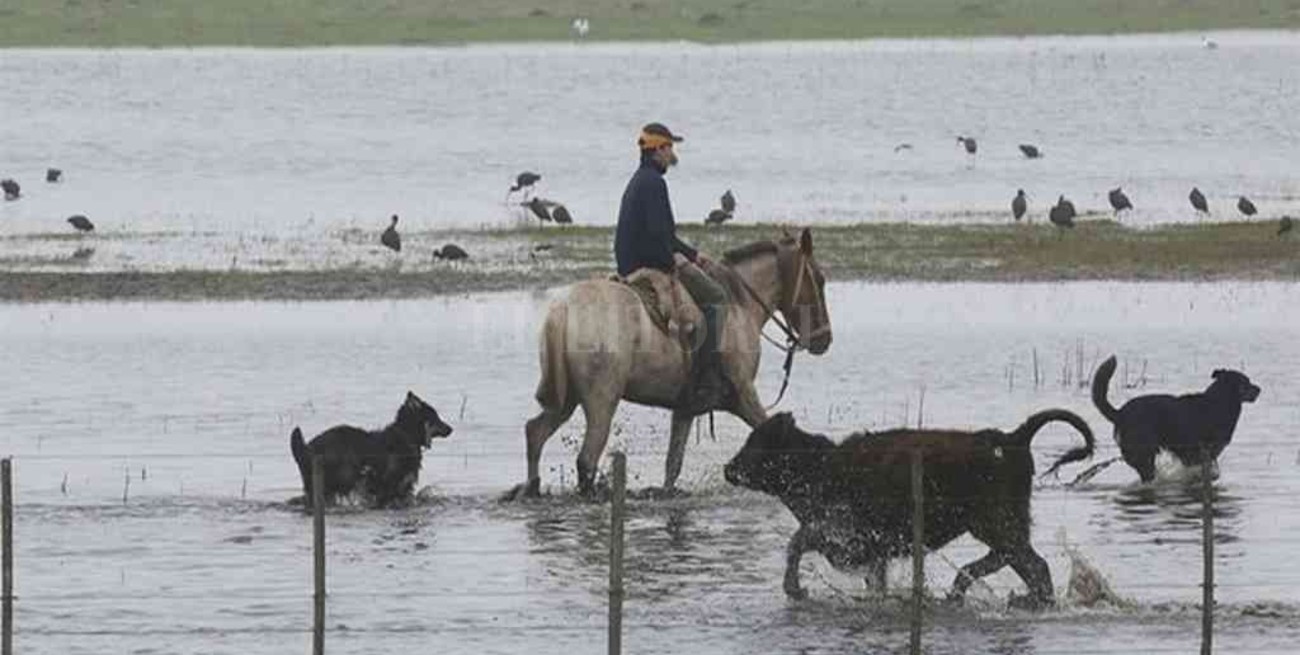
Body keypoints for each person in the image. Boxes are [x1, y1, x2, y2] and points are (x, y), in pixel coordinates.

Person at [615, 122, 732, 414]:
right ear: (658, 149)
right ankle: (705, 377)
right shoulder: (655, 183)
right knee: (717, 299)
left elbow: (662, 235)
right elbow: (660, 236)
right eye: (669, 149)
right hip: (651, 265)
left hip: (632, 262)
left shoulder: (638, 180)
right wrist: (674, 262)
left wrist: (693, 255)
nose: (672, 155)